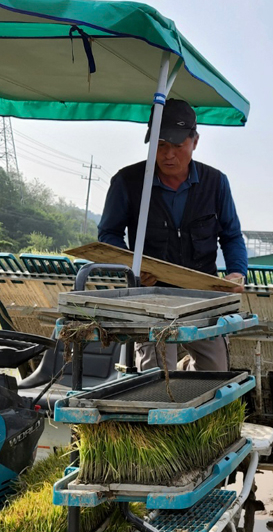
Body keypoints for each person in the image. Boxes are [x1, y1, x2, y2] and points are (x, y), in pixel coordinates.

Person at [98, 98, 248, 371]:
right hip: (149, 295)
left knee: (214, 370)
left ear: (195, 141)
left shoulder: (216, 182)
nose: (168, 155)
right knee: (157, 374)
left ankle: (186, 370)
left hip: (201, 295)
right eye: (160, 145)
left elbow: (231, 236)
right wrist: (133, 268)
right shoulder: (127, 182)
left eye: (177, 146)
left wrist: (237, 271)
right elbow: (108, 234)